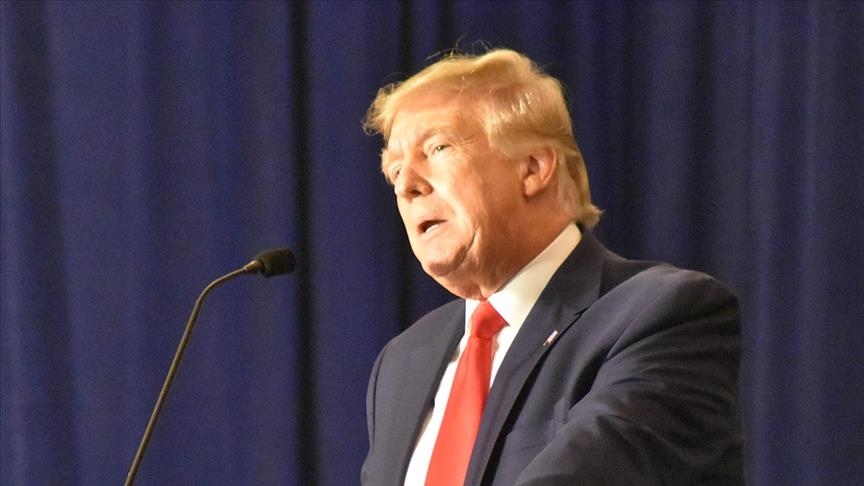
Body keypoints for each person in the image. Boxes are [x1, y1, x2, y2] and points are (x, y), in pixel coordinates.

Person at [361, 49, 742, 486]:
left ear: (533, 168)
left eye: (437, 148)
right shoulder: (402, 364)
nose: (407, 185)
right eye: (394, 171)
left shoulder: (661, 316)